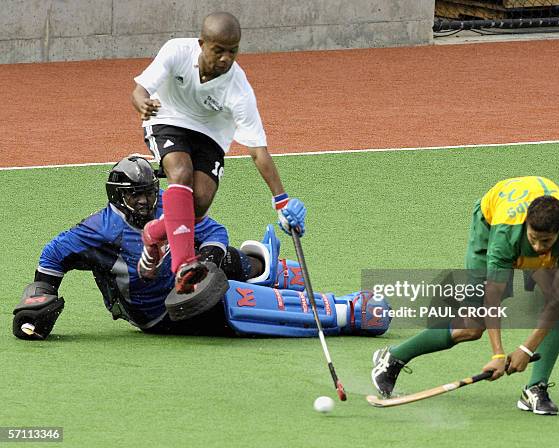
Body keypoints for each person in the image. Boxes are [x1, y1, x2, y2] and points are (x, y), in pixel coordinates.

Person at [13, 157, 389, 340]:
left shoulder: (166, 206)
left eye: (149, 194)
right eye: (137, 197)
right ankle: (346, 312)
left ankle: (262, 267)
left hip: (185, 281)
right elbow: (52, 255)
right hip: (159, 315)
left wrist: (208, 261)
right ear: (118, 197)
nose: (147, 203)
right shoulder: (96, 231)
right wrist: (42, 294)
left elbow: (212, 228)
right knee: (236, 304)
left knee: (218, 255)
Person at [371, 176, 559, 415]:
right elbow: (491, 299)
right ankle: (394, 357)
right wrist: (498, 354)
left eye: (545, 241)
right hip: (489, 224)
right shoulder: (505, 235)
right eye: (533, 239)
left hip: (540, 233)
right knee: (472, 326)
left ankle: (535, 389)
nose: (538, 247)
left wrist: (526, 350)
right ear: (526, 224)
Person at [131, 11, 306, 295]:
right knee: (181, 173)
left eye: (232, 51)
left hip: (210, 134)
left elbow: (258, 152)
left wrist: (281, 202)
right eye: (218, 50)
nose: (226, 58)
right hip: (167, 118)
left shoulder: (238, 88)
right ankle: (184, 266)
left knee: (199, 203)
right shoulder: (177, 51)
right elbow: (139, 90)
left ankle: (153, 235)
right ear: (202, 44)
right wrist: (142, 104)